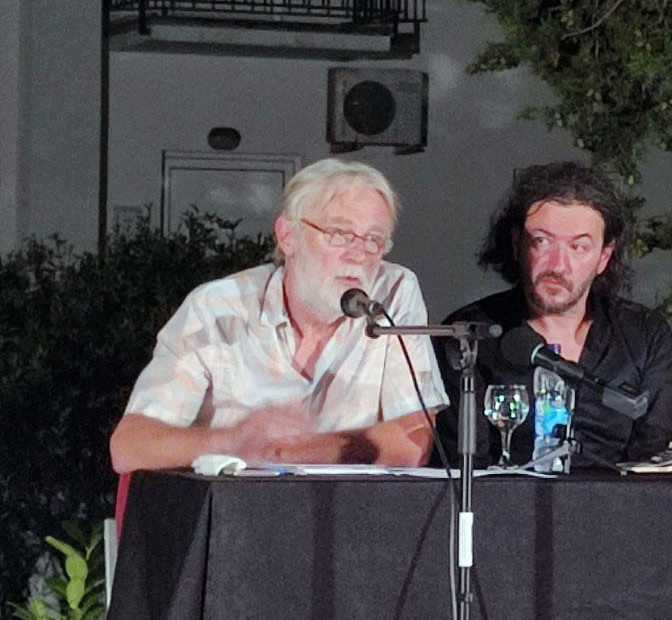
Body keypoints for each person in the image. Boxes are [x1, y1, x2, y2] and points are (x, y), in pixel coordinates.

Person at [109, 159, 448, 472]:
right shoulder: (218, 308)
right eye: (339, 234)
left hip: (352, 510)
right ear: (288, 236)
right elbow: (129, 447)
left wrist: (288, 451)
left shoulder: (392, 293)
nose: (358, 254)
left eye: (374, 239)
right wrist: (232, 442)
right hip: (239, 510)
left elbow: (413, 441)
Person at [433, 162, 672, 468]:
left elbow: (657, 460)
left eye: (578, 247)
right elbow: (465, 465)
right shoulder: (471, 335)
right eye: (542, 241)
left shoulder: (644, 333)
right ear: (517, 243)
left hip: (618, 497)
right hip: (506, 497)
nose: (557, 265)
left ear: (603, 257)